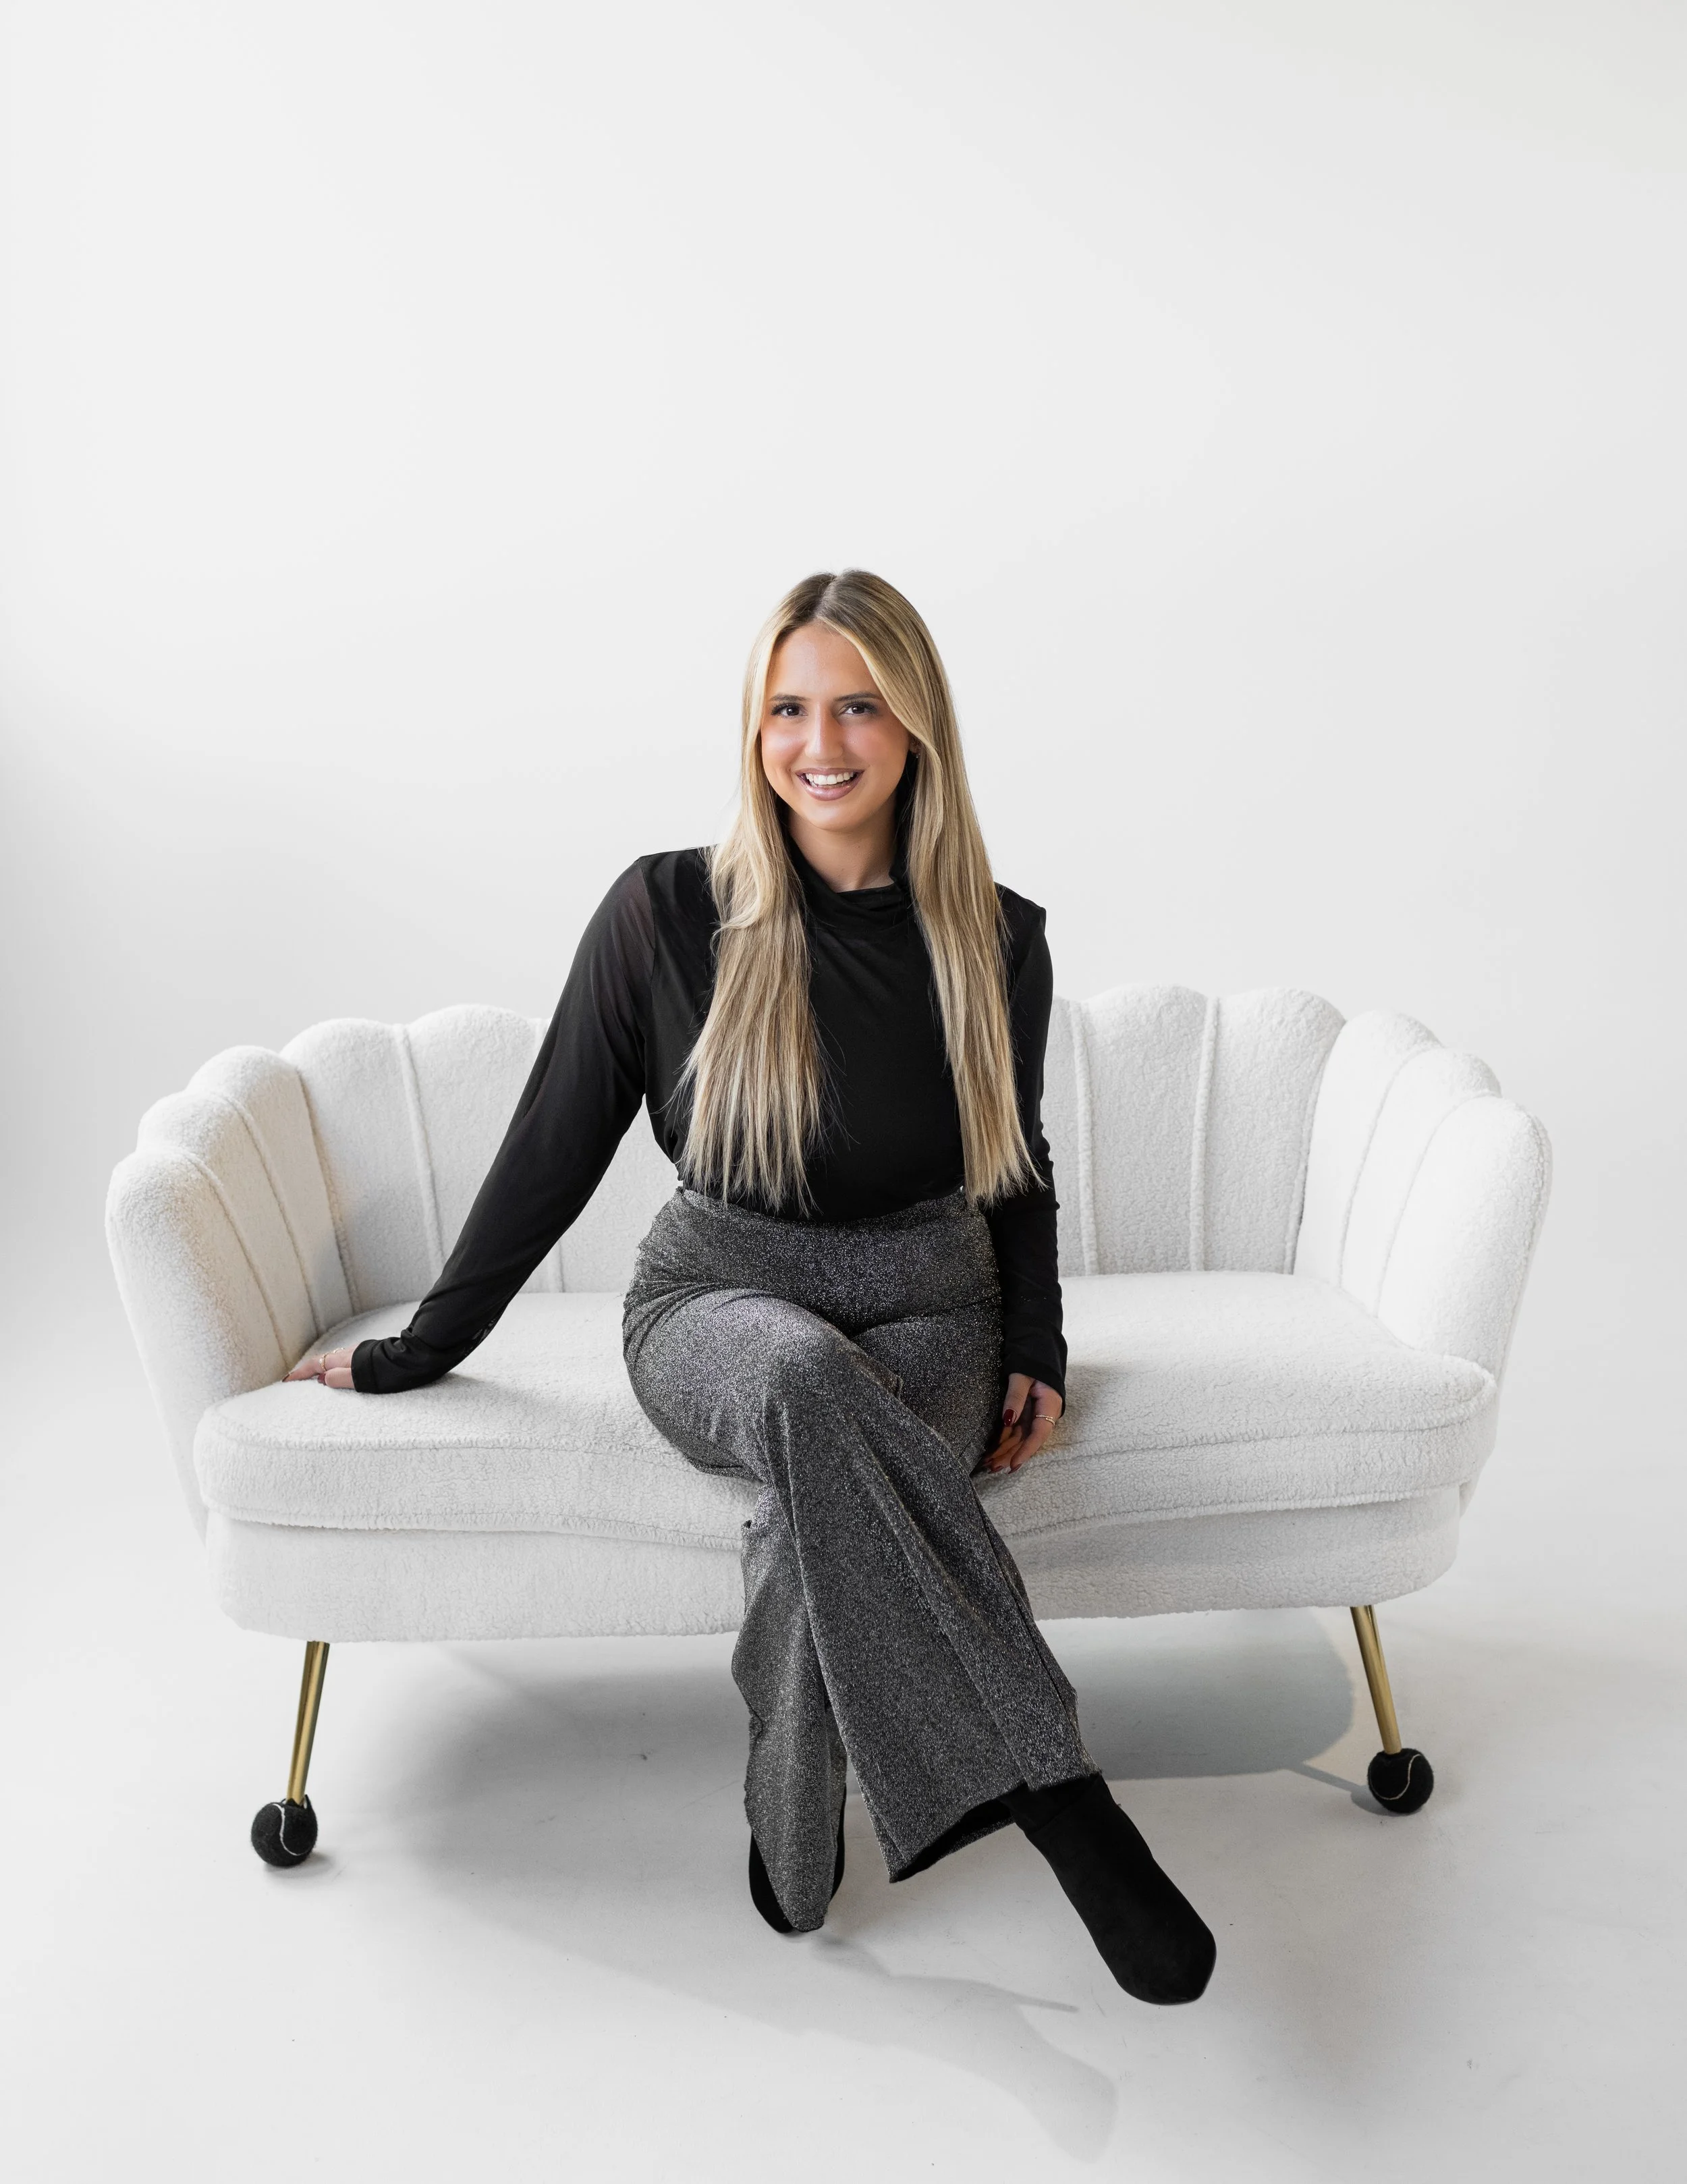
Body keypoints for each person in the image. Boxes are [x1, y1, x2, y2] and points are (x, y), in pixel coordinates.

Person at [287, 570, 1215, 2004]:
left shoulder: (997, 934)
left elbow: (1010, 1159)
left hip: (930, 1298)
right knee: (795, 1380)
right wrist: (423, 1346)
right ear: (752, 728)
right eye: (786, 707)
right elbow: (552, 1145)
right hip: (714, 1293)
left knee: (815, 1492)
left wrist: (1034, 1336)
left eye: (855, 703)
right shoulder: (665, 911)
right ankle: (1056, 1790)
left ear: (915, 727)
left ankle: (789, 1822)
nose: (818, 740)